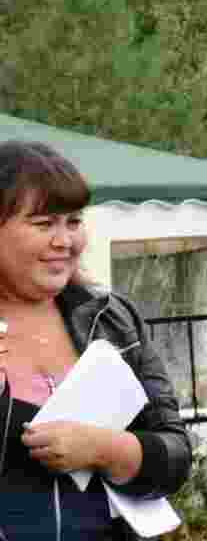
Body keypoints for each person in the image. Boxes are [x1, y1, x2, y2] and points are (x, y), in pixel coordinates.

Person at [0, 140, 192, 540]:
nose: (64, 241)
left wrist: (104, 449)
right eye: (44, 224)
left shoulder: (112, 318)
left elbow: (175, 456)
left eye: (73, 222)